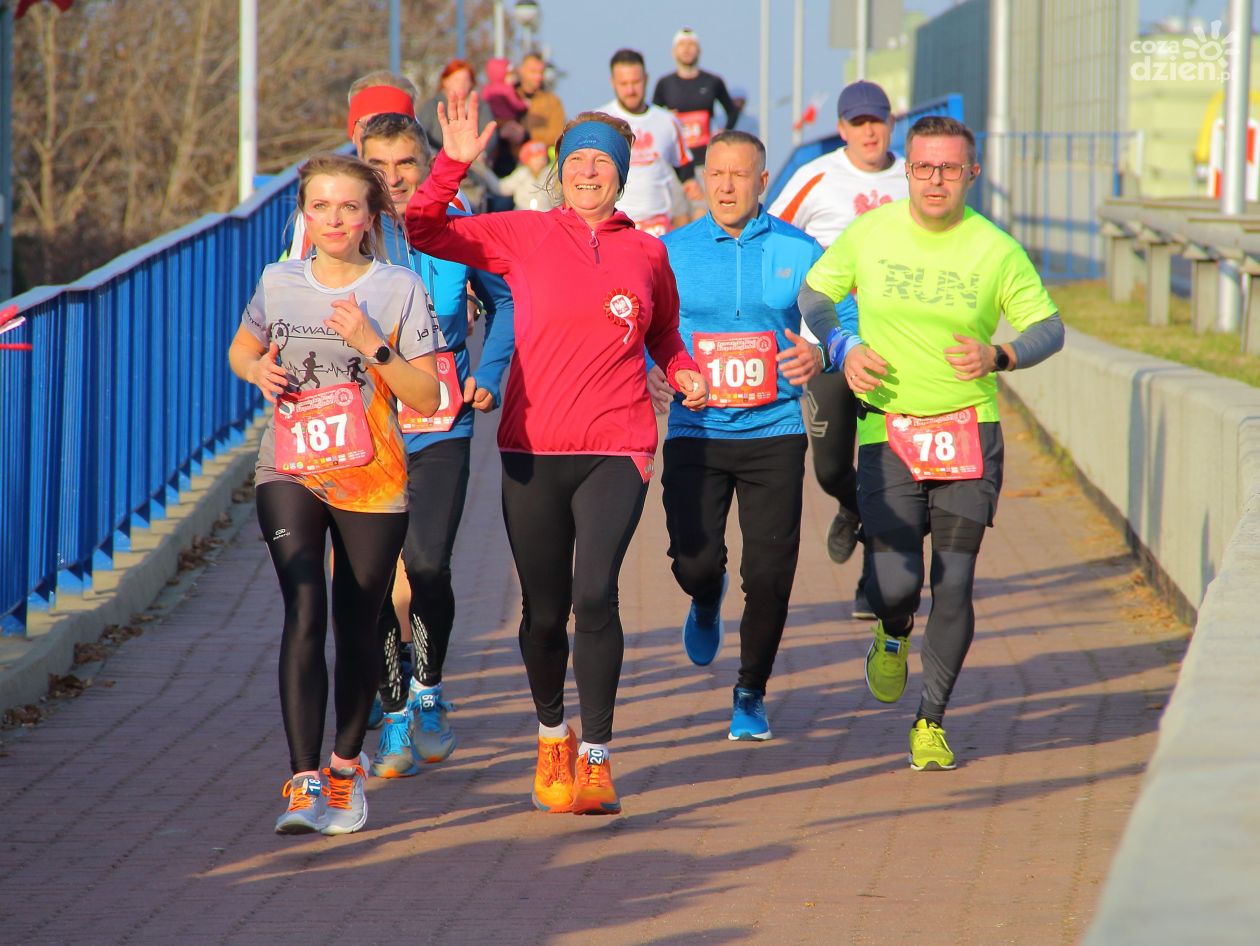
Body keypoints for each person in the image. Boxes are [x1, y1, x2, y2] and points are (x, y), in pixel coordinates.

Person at [407, 95, 709, 814]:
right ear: (560, 172)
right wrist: (451, 163)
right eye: (577, 161)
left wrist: (684, 369)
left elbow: (664, 334)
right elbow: (423, 227)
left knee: (595, 593)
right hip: (532, 448)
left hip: (617, 446)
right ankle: (552, 735)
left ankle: (597, 756)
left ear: (621, 176)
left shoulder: (648, 252)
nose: (588, 172)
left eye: (603, 162)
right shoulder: (523, 234)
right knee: (544, 613)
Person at [797, 115, 1064, 771]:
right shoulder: (871, 232)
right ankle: (893, 632)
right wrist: (843, 344)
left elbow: (1048, 327)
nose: (935, 180)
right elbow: (815, 293)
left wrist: (1000, 354)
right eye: (923, 166)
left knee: (956, 579)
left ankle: (931, 721)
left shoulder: (995, 249)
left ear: (971, 173)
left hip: (969, 431)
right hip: (888, 430)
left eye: (949, 168)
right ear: (907, 170)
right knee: (897, 584)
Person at [228, 153, 442, 835]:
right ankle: (303, 781)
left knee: (357, 622)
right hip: (290, 467)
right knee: (304, 606)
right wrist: (256, 370)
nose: (334, 219)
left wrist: (374, 345)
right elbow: (241, 349)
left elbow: (427, 394)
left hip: (371, 476)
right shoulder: (279, 280)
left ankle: (346, 771)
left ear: (370, 218)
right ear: (304, 214)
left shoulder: (399, 287)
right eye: (320, 206)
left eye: (349, 207)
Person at [654, 130, 852, 740]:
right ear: (702, 180)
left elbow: (843, 317)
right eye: (716, 174)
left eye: (739, 175)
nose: (726, 186)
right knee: (694, 562)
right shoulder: (670, 252)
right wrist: (653, 369)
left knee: (769, 574)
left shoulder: (799, 248)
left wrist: (819, 353)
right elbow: (643, 324)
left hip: (775, 429)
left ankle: (750, 691)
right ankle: (705, 595)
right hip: (697, 430)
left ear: (763, 182)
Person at [358, 112, 516, 778]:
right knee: (370, 580)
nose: (393, 179)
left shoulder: (456, 224)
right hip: (366, 427)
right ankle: (394, 716)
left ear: (427, 167)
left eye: (407, 165)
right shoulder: (344, 230)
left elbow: (506, 301)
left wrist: (491, 372)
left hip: (442, 421)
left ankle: (427, 691)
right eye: (378, 166)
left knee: (426, 565)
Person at [768, 80, 908, 620]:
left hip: (892, 349)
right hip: (824, 344)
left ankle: (873, 583)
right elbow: (774, 235)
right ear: (842, 128)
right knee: (830, 469)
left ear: (891, 124)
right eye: (858, 122)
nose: (869, 132)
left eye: (877, 121)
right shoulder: (817, 175)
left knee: (887, 471)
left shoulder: (912, 176)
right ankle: (852, 508)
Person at [286, 71, 420, 262]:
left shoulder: (447, 202)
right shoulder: (323, 208)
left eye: (394, 125)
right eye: (369, 125)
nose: (381, 134)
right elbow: (300, 275)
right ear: (353, 133)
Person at [596, 48, 700, 236]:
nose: (630, 90)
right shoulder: (600, 121)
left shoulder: (667, 121)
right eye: (624, 83)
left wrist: (691, 184)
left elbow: (685, 168)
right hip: (615, 225)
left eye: (636, 82)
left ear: (646, 79)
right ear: (612, 83)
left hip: (658, 226)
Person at [651, 28, 742, 172]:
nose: (686, 49)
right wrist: (667, 118)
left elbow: (732, 111)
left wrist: (724, 132)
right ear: (674, 51)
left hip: (705, 160)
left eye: (691, 44)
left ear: (699, 50)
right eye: (682, 45)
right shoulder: (665, 84)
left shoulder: (713, 81)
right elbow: (652, 116)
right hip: (676, 162)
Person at [516, 52, 566, 152]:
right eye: (533, 72)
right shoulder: (509, 96)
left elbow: (558, 133)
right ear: (521, 70)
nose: (538, 77)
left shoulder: (552, 101)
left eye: (541, 72)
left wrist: (527, 135)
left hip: (542, 156)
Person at [498, 139, 557, 211]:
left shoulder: (551, 174)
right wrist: (485, 171)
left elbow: (558, 198)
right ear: (527, 160)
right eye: (535, 157)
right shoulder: (521, 174)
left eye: (542, 157)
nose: (539, 160)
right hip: (521, 214)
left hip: (545, 214)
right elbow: (501, 188)